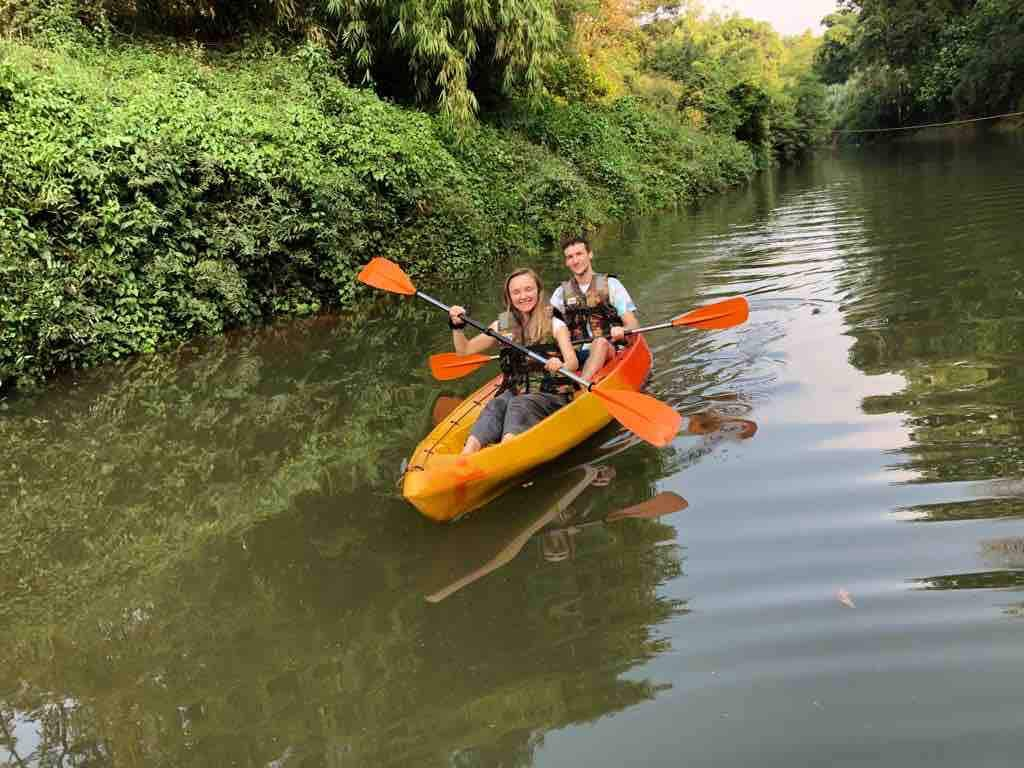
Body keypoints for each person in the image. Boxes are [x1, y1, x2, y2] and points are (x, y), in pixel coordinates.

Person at [449, 268, 579, 455]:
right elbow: (464, 350)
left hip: (551, 392)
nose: (523, 296)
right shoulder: (501, 326)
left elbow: (572, 362)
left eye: (528, 289)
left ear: (538, 291)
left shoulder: (555, 324)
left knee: (519, 404)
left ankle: (504, 453)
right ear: (509, 297)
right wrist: (457, 327)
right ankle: (467, 454)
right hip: (517, 389)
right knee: (497, 404)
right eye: (516, 292)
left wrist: (560, 364)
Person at [550, 234, 639, 381]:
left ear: (590, 254)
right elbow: (551, 328)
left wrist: (622, 330)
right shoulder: (560, 294)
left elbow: (633, 323)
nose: (575, 260)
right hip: (577, 355)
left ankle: (583, 384)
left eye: (579, 254)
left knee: (600, 342)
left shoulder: (611, 285)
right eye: (570, 257)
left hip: (610, 348)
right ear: (566, 262)